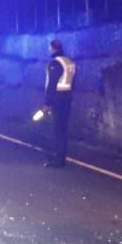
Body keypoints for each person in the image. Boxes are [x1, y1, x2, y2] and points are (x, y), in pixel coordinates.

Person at [44, 39, 77, 167]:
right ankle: (61, 157)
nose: (49, 50)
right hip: (67, 97)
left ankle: (58, 160)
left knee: (58, 130)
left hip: (57, 98)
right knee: (63, 129)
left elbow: (52, 83)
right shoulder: (69, 62)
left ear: (53, 48)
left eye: (50, 48)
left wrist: (47, 103)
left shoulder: (55, 63)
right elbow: (73, 81)